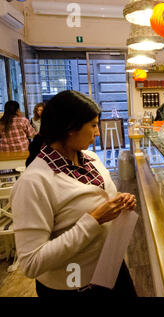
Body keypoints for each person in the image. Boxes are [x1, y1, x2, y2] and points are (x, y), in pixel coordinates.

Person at [10, 90, 137, 297]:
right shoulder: (34, 182)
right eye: (93, 125)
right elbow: (31, 263)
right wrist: (94, 220)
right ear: (70, 128)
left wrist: (119, 203)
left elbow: (98, 199)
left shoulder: (91, 158)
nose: (98, 133)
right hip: (75, 286)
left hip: (111, 269)